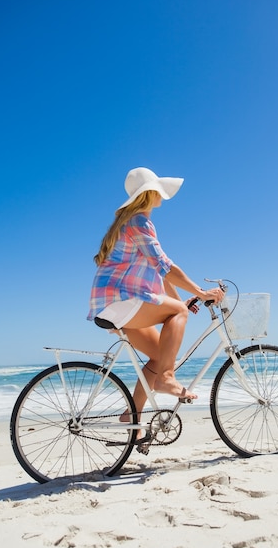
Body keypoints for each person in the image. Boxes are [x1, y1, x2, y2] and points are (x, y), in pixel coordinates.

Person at [87, 167, 223, 421]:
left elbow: (157, 272)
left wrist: (178, 300)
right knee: (178, 314)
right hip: (121, 301)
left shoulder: (130, 223)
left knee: (159, 355)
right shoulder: (139, 221)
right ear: (150, 193)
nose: (162, 194)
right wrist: (201, 293)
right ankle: (166, 379)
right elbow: (166, 266)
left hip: (114, 304)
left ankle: (133, 418)